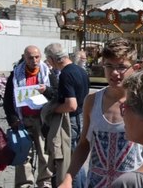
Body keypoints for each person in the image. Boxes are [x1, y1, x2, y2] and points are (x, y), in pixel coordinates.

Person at [58, 38, 143, 187]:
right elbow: (84, 143)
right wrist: (68, 178)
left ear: (135, 68)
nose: (114, 72)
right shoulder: (92, 101)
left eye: (121, 66)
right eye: (109, 65)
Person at [3, 45, 53, 188]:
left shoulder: (47, 73)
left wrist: (47, 90)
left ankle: (45, 183)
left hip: (42, 120)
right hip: (22, 120)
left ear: (40, 57)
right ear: (24, 57)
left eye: (37, 57)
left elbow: (55, 94)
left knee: (45, 154)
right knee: (23, 154)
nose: (34, 60)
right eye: (30, 57)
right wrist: (13, 119)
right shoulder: (15, 74)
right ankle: (24, 184)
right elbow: (7, 99)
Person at [44, 43, 89, 188]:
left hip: (72, 121)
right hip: (81, 117)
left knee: (70, 162)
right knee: (78, 160)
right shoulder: (80, 70)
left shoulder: (66, 74)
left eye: (47, 59)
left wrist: (53, 109)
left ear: (52, 59)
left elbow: (71, 105)